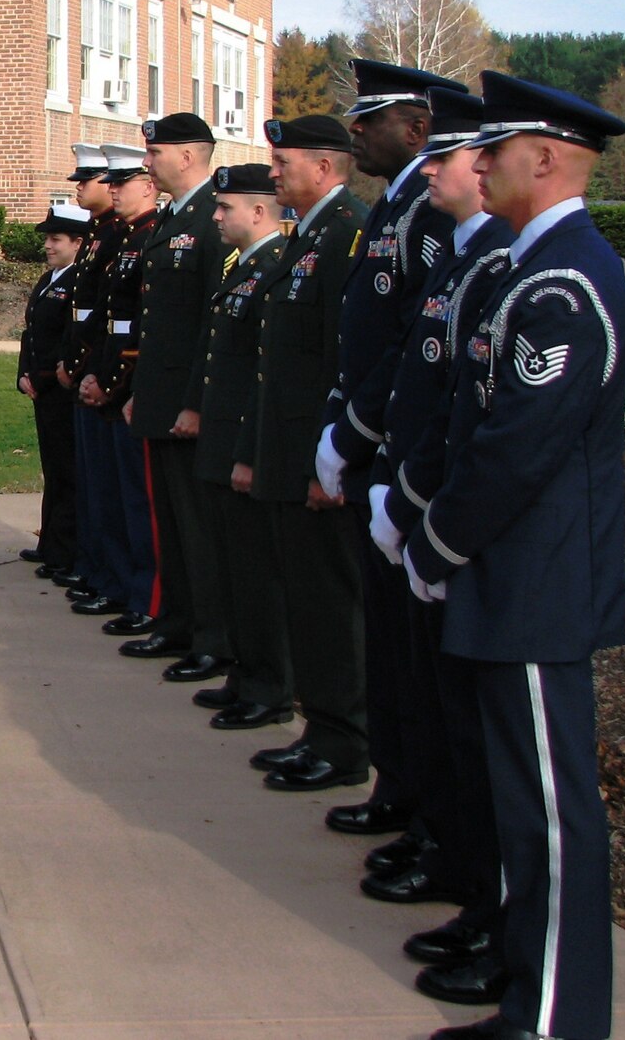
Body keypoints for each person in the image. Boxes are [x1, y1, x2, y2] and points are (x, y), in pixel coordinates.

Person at [403, 72, 625, 1040]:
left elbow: (516, 448)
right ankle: (529, 1001)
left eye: (493, 148)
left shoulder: (564, 278)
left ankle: (551, 1021)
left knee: (549, 817)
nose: (475, 161)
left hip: (533, 584)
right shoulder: (533, 268)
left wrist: (435, 538)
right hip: (507, 580)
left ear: (542, 158)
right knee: (519, 812)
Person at [362, 88, 517, 1006]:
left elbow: (490, 424)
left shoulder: (504, 264)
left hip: (453, 527)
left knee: (469, 728)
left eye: (454, 159)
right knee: (427, 695)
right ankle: (452, 863)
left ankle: (475, 888)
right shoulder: (463, 257)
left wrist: (416, 505)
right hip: (411, 494)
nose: (438, 174)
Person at [314, 59, 463, 841]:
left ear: (417, 127)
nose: (357, 133)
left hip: (398, 450)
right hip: (375, 443)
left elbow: (415, 339)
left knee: (409, 650)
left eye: (369, 121)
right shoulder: (394, 209)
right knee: (389, 643)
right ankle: (396, 791)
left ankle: (419, 810)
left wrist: (358, 430)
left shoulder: (430, 214)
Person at [235, 114, 370, 789]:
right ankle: (321, 731)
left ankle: (344, 745)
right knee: (307, 602)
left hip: (317, 458)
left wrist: (331, 460)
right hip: (290, 451)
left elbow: (341, 359)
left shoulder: (347, 234)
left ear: (323, 169)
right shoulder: (310, 234)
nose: (275, 171)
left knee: (328, 605)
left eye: (284, 161)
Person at [121, 113, 230, 679]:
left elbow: (214, 323)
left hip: (191, 404)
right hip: (161, 398)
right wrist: (143, 391)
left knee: (198, 527)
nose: (147, 162)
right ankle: (177, 623)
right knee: (171, 521)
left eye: (155, 152)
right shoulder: (174, 217)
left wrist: (194, 401)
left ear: (187, 156)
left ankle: (212, 636)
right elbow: (156, 322)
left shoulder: (216, 216)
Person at [189, 164, 295, 729]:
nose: (217, 215)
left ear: (258, 212)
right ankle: (245, 674)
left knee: (257, 574)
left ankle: (269, 687)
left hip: (243, 440)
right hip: (224, 437)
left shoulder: (274, 265)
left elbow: (264, 372)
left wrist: (249, 451)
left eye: (226, 207)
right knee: (234, 567)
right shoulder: (245, 267)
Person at [77, 145, 162, 628]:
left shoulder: (148, 237)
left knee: (134, 500)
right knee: (107, 492)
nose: (111, 189)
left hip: (123, 381)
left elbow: (139, 324)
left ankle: (138, 593)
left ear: (147, 186)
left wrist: (113, 382)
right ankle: (111, 579)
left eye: (121, 182)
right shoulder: (122, 237)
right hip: (105, 374)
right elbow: (104, 318)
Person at [57, 144, 125, 604]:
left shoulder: (122, 233)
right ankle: (96, 566)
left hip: (109, 374)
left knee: (116, 493)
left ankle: (114, 578)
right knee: (95, 485)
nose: (81, 187)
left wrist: (96, 370)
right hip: (88, 368)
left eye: (91, 180)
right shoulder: (101, 231)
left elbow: (116, 316)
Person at [17, 204, 95, 581]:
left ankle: (65, 551)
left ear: (78, 242)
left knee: (68, 470)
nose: (48, 246)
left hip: (61, 390)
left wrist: (44, 376)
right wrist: (23, 374)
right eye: (47, 239)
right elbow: (31, 334)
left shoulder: (79, 281)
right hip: (42, 389)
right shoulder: (51, 278)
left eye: (55, 239)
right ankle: (50, 541)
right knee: (53, 469)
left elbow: (70, 341)